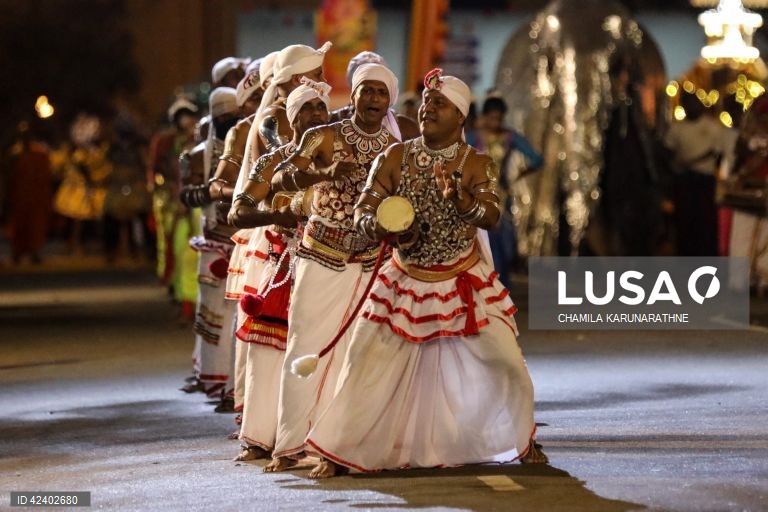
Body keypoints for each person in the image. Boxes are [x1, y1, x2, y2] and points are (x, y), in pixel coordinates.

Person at [304, 69, 546, 478]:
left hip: (463, 279)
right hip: (404, 276)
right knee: (362, 362)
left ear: (460, 117)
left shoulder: (476, 163)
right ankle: (337, 449)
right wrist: (384, 227)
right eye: (427, 102)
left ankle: (522, 437)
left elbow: (491, 215)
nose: (428, 109)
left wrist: (463, 202)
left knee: (507, 362)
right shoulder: (395, 156)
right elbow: (364, 211)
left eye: (440, 104)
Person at [264, 62, 401, 472]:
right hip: (321, 255)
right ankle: (289, 444)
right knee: (305, 344)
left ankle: (335, 446)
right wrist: (321, 174)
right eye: (366, 90)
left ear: (389, 100)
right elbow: (280, 179)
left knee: (357, 356)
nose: (373, 98)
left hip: (372, 263)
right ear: (352, 95)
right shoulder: (324, 135)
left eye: (381, 92)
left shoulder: (395, 149)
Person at [228, 79, 332, 461]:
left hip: (329, 268)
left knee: (320, 352)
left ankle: (316, 439)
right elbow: (237, 213)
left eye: (321, 108)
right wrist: (278, 215)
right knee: (268, 355)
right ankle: (259, 437)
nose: (316, 115)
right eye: (306, 109)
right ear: (292, 118)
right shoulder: (272, 161)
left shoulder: (339, 161)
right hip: (281, 268)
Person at [179, 87, 242, 401]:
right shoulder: (196, 155)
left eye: (233, 116)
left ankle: (235, 386)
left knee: (241, 318)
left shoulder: (249, 144)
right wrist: (211, 192)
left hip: (245, 243)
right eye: (222, 117)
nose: (228, 122)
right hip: (215, 242)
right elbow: (186, 196)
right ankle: (213, 378)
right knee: (213, 315)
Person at [474, 96, 542, 286]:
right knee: (487, 243)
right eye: (492, 118)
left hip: (502, 196)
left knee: (506, 245)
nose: (496, 123)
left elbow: (537, 159)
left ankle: (501, 287)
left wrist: (521, 173)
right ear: (484, 117)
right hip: (479, 197)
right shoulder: (473, 137)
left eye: (499, 119)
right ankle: (491, 286)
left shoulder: (509, 137)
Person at [665, 91, 731, 256]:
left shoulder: (712, 127)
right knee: (685, 222)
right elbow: (667, 151)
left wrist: (694, 162)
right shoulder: (677, 129)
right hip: (684, 180)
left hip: (704, 180)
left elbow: (716, 153)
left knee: (705, 222)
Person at [329, 51, 419, 141]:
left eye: (381, 90)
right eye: (367, 90)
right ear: (353, 88)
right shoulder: (331, 121)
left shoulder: (407, 128)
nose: (375, 98)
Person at [6, 123, 52, 264]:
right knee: (21, 225)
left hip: (33, 196)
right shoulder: (17, 153)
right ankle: (19, 253)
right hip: (22, 196)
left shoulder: (38, 154)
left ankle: (32, 252)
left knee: (34, 225)